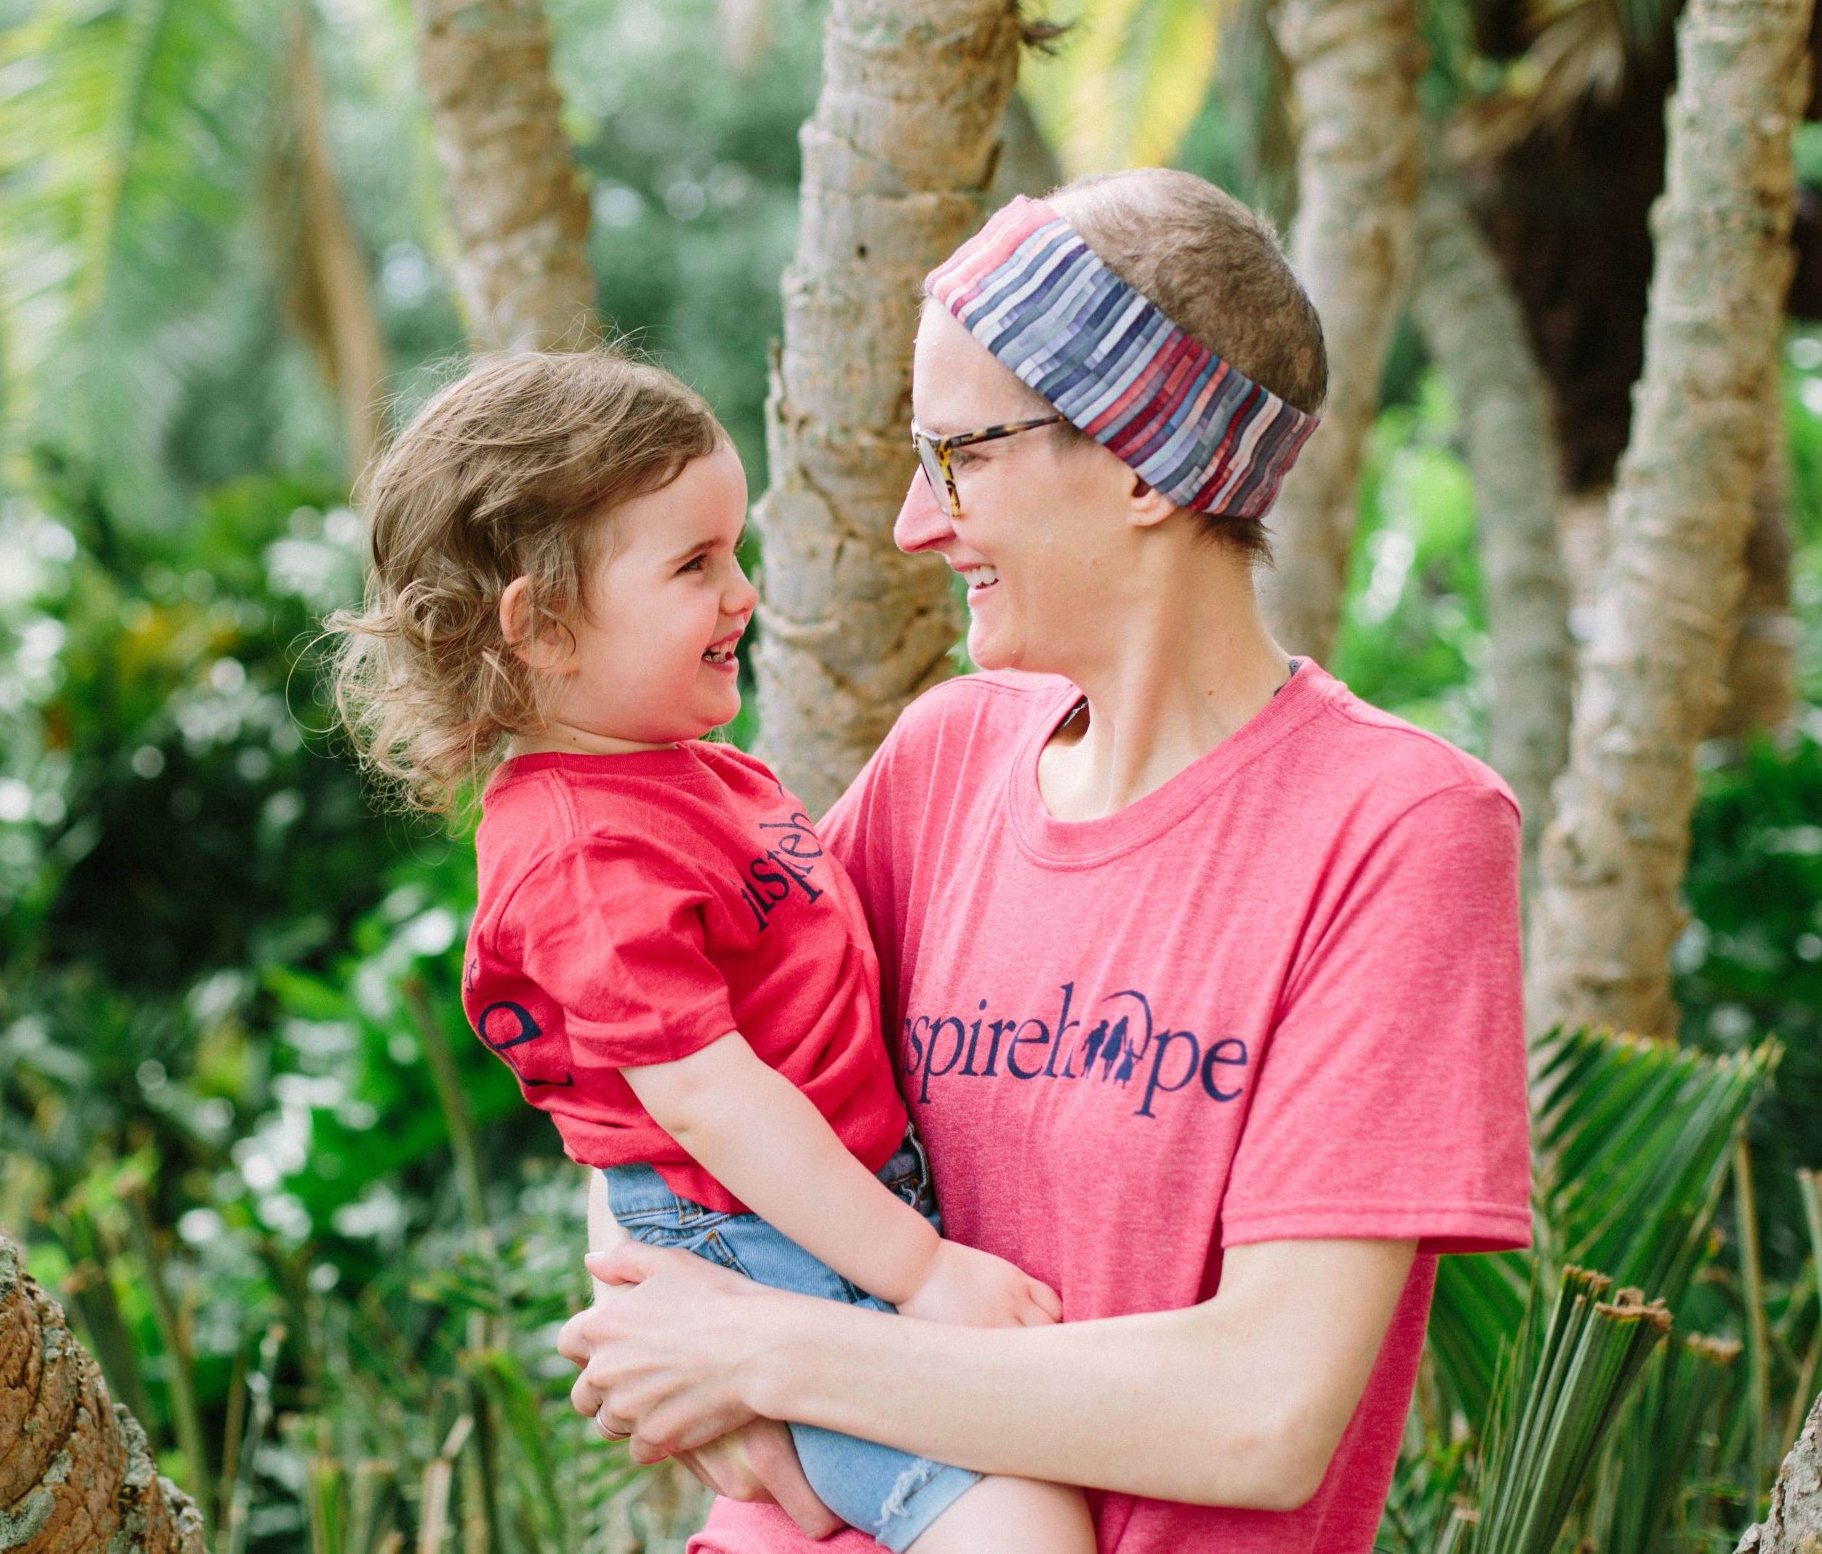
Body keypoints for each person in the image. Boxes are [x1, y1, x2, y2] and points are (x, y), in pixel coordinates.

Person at [558, 169, 1535, 1554]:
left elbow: (1260, 1408)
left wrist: (758, 1352)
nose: (915, 519)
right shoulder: (942, 762)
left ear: (1142, 458)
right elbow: (643, 1057)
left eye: (960, 454)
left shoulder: (1396, 828)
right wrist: (678, 1315)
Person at [328, 351, 1098, 1552]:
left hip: (809, 1213)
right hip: (763, 1238)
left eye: (731, 552)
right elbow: (703, 1099)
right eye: (693, 566)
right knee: (1018, 1522)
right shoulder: (582, 851)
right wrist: (923, 1275)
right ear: (541, 629)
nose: (740, 593)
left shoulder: (679, 772)